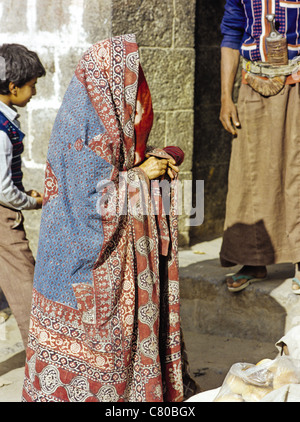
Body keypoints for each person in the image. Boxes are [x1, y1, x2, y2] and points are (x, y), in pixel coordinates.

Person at [22, 34, 198, 402]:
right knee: (101, 343)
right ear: (107, 80)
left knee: (119, 341)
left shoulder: (106, 112)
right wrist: (141, 177)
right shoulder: (82, 128)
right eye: (128, 79)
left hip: (114, 257)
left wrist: (153, 160)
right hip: (79, 266)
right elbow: (89, 198)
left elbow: (120, 160)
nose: (134, 89)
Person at [219, 0, 300, 294]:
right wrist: (226, 98)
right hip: (253, 83)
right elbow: (231, 34)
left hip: (297, 82)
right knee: (249, 175)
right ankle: (253, 260)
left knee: (297, 169)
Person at [0, 44, 45, 347]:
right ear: (13, 87)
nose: (35, 92)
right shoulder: (2, 131)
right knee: (26, 285)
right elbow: (2, 189)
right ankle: (44, 361)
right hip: (3, 216)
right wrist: (31, 202)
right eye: (32, 86)